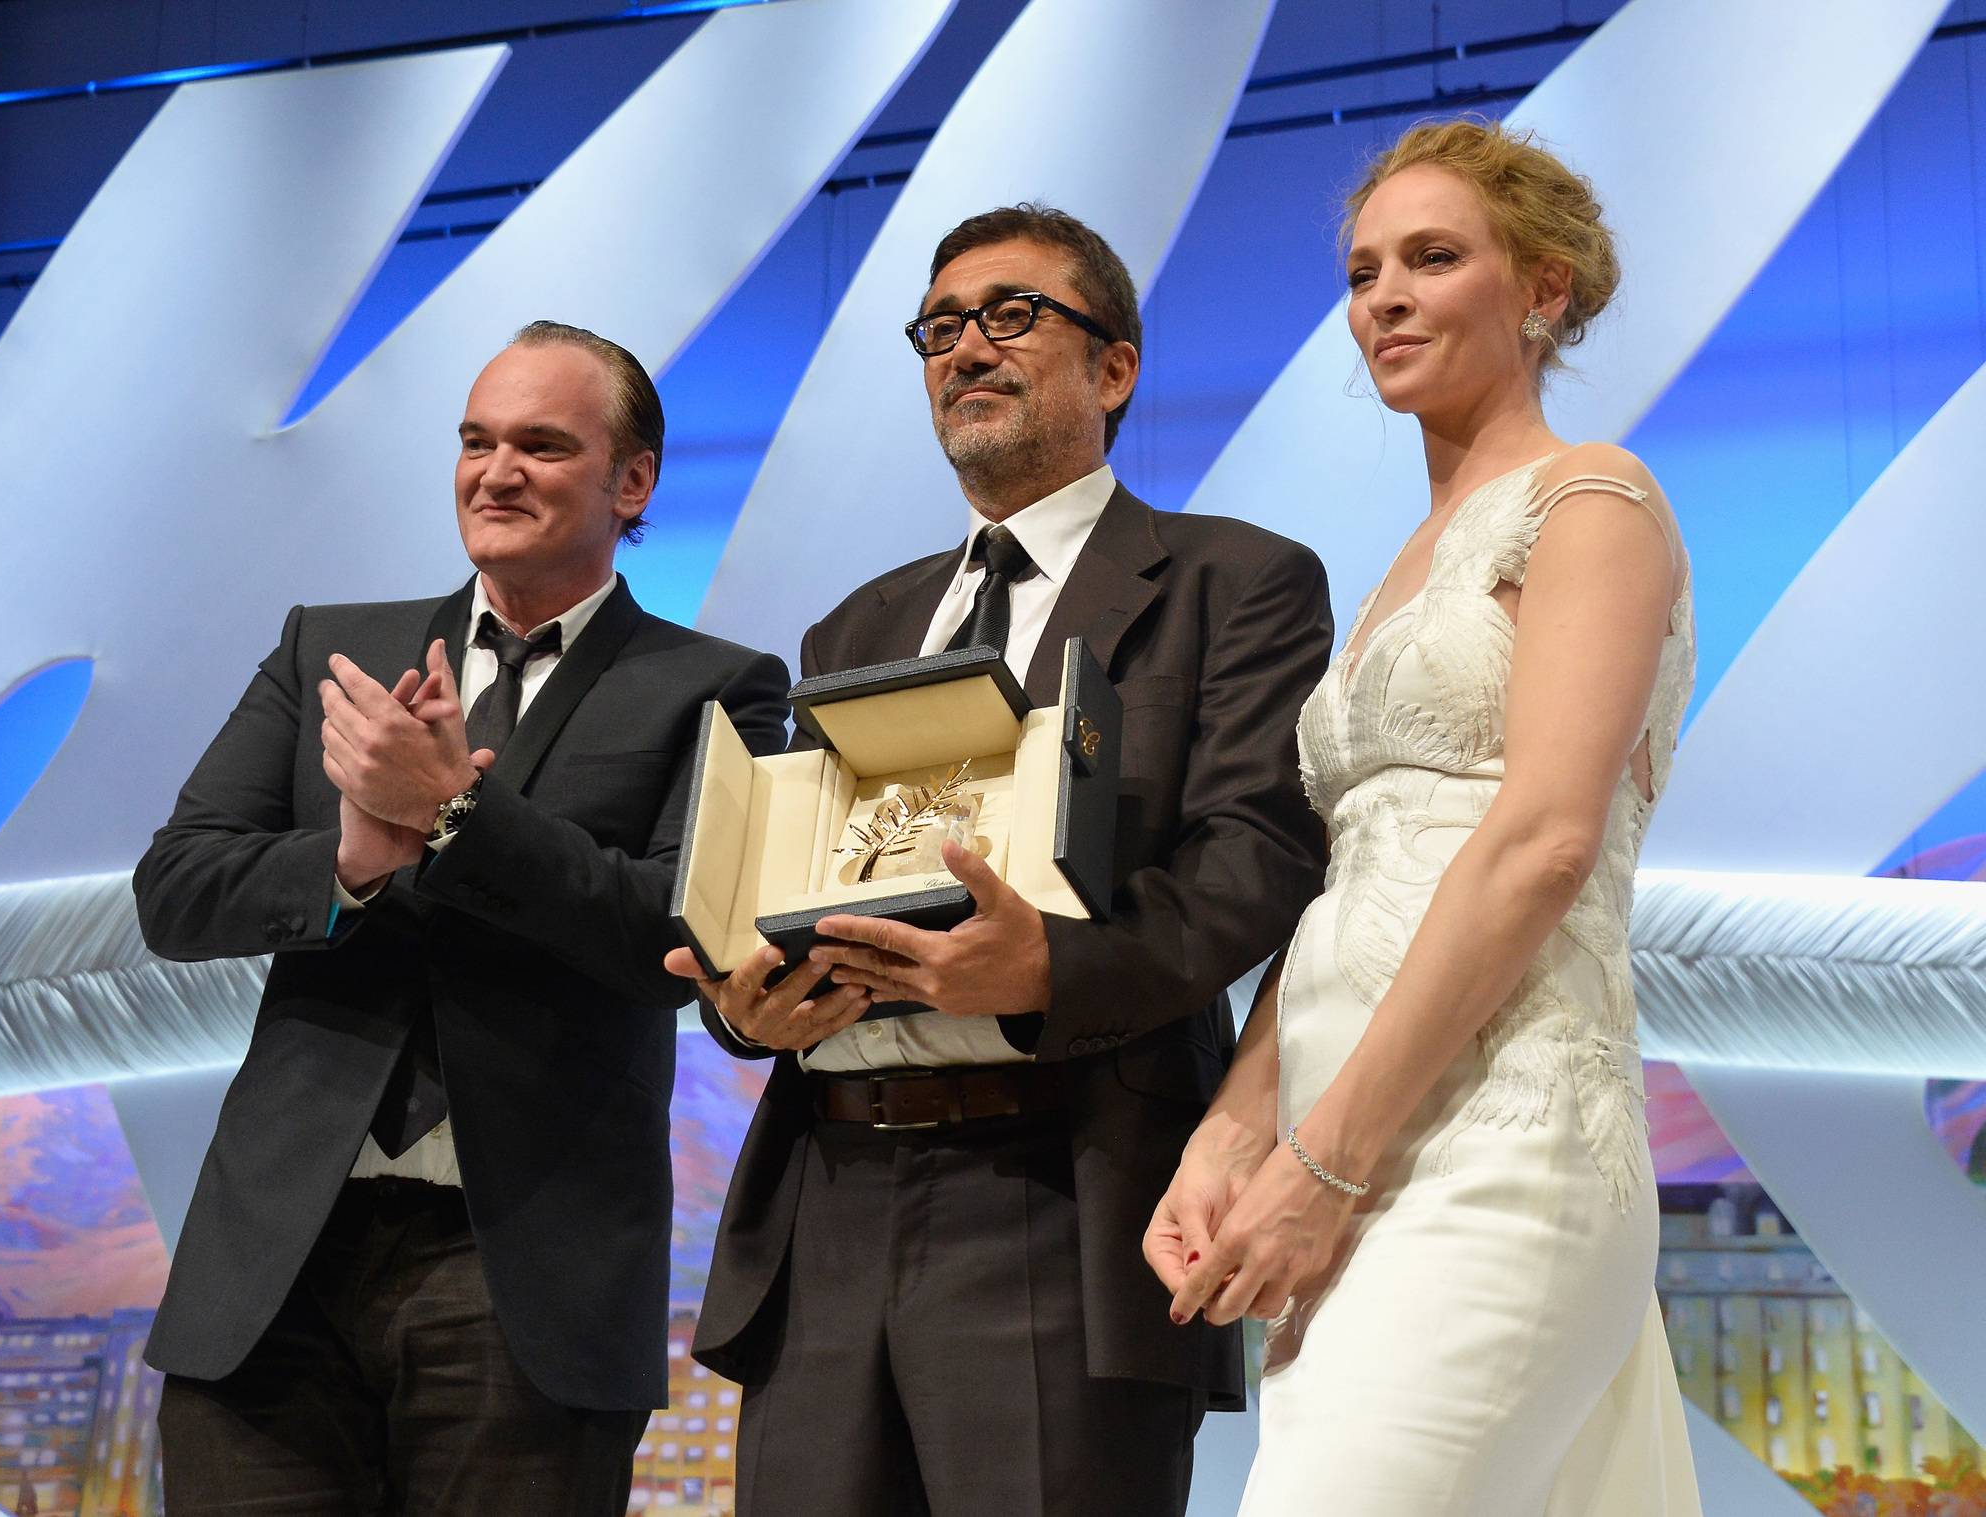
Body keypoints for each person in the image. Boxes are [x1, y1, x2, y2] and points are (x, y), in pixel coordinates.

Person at [665, 205, 1333, 1517]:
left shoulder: (1231, 582)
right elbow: (812, 872)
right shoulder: (856, 623)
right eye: (939, 328)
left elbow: (1257, 858)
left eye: (1012, 314)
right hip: (829, 1201)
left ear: (1116, 367)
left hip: (1062, 1202)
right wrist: (738, 1005)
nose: (967, 347)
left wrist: (1046, 970)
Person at [132, 321, 791, 1515]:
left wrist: (456, 812)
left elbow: (670, 934)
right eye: (476, 441)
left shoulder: (719, 685)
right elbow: (176, 889)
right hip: (275, 1262)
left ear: (630, 480)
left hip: (524, 1272)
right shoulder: (330, 647)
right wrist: (350, 855)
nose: (496, 472)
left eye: (542, 444)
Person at [1147, 122, 1704, 1514]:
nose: (1382, 296)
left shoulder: (1594, 499)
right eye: (1362, 269)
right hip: (1351, 1150)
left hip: (1496, 1147)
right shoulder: (1403, 564)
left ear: (1544, 292)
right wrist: (1233, 1130)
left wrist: (1322, 1161)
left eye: (1432, 258)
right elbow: (1354, 886)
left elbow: (1542, 841)